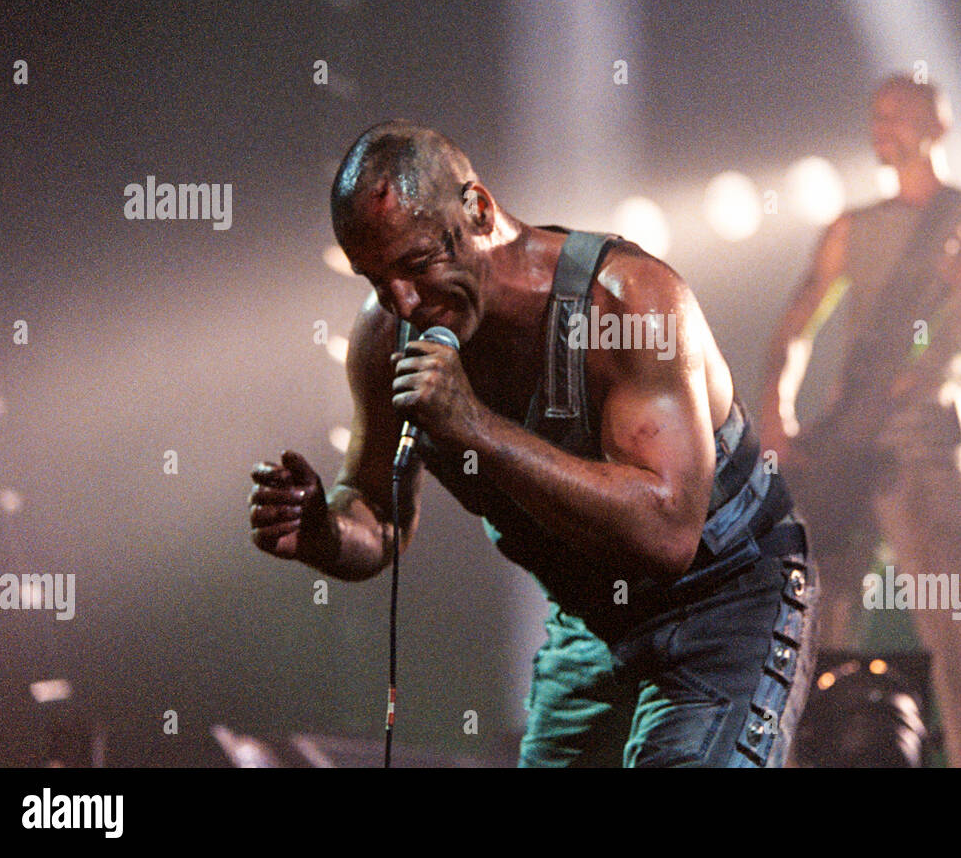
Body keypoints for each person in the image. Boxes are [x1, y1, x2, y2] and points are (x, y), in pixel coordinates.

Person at [248, 122, 815, 767]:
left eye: (417, 265)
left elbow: (667, 533)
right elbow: (377, 517)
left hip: (728, 598)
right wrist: (322, 529)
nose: (402, 301)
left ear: (478, 209)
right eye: (376, 280)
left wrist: (474, 427)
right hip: (592, 623)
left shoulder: (627, 301)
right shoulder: (386, 341)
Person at [759, 74, 961, 767]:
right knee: (806, 636)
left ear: (937, 125)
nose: (882, 128)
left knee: (960, 636)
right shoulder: (852, 226)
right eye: (876, 115)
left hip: (927, 437)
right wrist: (776, 418)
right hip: (842, 443)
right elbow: (794, 326)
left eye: (898, 115)